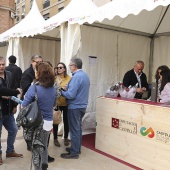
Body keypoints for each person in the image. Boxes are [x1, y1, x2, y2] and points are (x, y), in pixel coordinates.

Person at [22, 62, 56, 170]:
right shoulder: (53, 88)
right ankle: (44, 165)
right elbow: (54, 104)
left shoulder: (34, 88)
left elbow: (24, 105)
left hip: (37, 122)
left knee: (36, 149)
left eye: (36, 71)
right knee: (44, 145)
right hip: (48, 121)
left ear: (38, 73)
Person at [60, 57, 90, 159]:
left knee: (74, 130)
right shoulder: (85, 75)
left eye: (70, 65)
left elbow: (71, 95)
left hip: (75, 107)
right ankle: (76, 148)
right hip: (82, 106)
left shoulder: (76, 77)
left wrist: (61, 92)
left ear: (74, 66)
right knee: (78, 128)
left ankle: (74, 153)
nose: (69, 67)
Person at [0, 56, 23, 165]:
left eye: (3, 64)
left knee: (13, 129)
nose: (1, 66)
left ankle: (10, 151)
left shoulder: (9, 74)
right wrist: (14, 91)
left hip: (8, 110)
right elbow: (3, 90)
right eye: (0, 65)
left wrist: (14, 105)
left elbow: (14, 87)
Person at [53, 63, 71, 147]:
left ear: (64, 69)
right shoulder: (54, 78)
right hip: (57, 103)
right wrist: (61, 88)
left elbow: (71, 89)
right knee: (55, 121)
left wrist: (66, 88)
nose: (58, 69)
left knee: (66, 121)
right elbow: (53, 89)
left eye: (60, 67)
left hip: (66, 103)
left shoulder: (69, 78)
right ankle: (55, 138)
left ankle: (66, 137)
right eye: (57, 67)